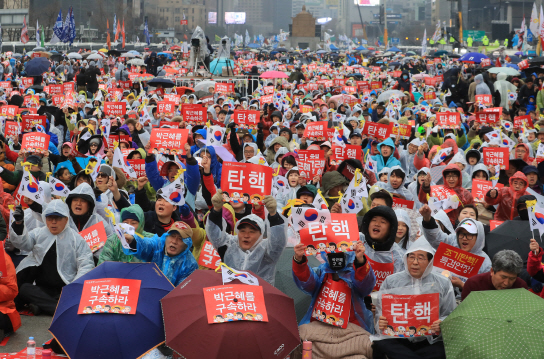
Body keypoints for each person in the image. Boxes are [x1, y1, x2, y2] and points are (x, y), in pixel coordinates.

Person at [372, 237, 456, 359]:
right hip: (399, 339)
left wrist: (442, 323)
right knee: (380, 344)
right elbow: (380, 314)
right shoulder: (391, 281)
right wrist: (381, 322)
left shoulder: (443, 283)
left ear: (430, 261)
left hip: (429, 340)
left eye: (421, 258)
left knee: (445, 349)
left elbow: (450, 314)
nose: (415, 262)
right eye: (411, 257)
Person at [291, 238, 375, 358]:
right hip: (319, 330)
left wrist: (360, 261)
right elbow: (307, 282)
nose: (337, 251)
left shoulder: (355, 272)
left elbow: (366, 286)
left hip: (351, 331)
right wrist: (299, 260)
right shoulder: (321, 272)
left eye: (342, 248)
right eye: (332, 248)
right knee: (298, 340)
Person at [10, 200, 94, 315]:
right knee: (24, 289)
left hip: (65, 288)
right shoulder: (39, 233)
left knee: (76, 296)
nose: (53, 222)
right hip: (41, 288)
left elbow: (86, 265)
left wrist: (73, 287)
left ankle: (44, 306)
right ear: (45, 219)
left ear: (66, 219)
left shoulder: (76, 239)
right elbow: (23, 244)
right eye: (50, 218)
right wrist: (19, 224)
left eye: (58, 218)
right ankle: (60, 309)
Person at [206, 189, 286, 285]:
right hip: (231, 295)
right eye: (242, 231)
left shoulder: (267, 251)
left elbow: (278, 242)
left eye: (252, 232)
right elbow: (214, 234)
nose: (246, 236)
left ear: (261, 235)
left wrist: (273, 215)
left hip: (260, 296)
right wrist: (216, 210)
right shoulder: (229, 245)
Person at [122, 221, 198, 286]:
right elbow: (146, 244)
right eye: (172, 236)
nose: (174, 241)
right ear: (166, 236)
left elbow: (183, 291)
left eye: (180, 239)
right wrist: (133, 241)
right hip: (146, 289)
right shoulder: (157, 245)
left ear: (186, 245)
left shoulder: (190, 265)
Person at [462, 250, 527, 300]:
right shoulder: (473, 284)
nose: (506, 283)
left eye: (512, 279)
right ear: (492, 271)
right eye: (503, 277)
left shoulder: (521, 287)